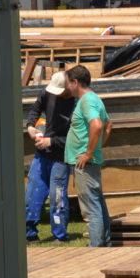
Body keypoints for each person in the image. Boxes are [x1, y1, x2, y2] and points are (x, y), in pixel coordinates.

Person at [62, 65, 111, 247]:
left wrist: (89, 153)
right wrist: (96, 148)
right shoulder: (95, 99)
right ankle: (104, 245)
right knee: (97, 204)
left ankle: (96, 249)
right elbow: (109, 126)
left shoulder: (86, 101)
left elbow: (98, 125)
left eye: (69, 84)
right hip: (89, 161)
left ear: (75, 82)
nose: (68, 88)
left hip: (85, 163)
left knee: (90, 209)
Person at [24, 73, 75, 243]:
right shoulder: (47, 93)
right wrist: (31, 126)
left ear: (67, 88)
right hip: (41, 156)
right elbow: (36, 109)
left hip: (61, 158)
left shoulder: (76, 104)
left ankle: (59, 234)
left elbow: (75, 139)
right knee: (32, 194)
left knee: (57, 196)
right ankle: (29, 233)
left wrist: (51, 141)